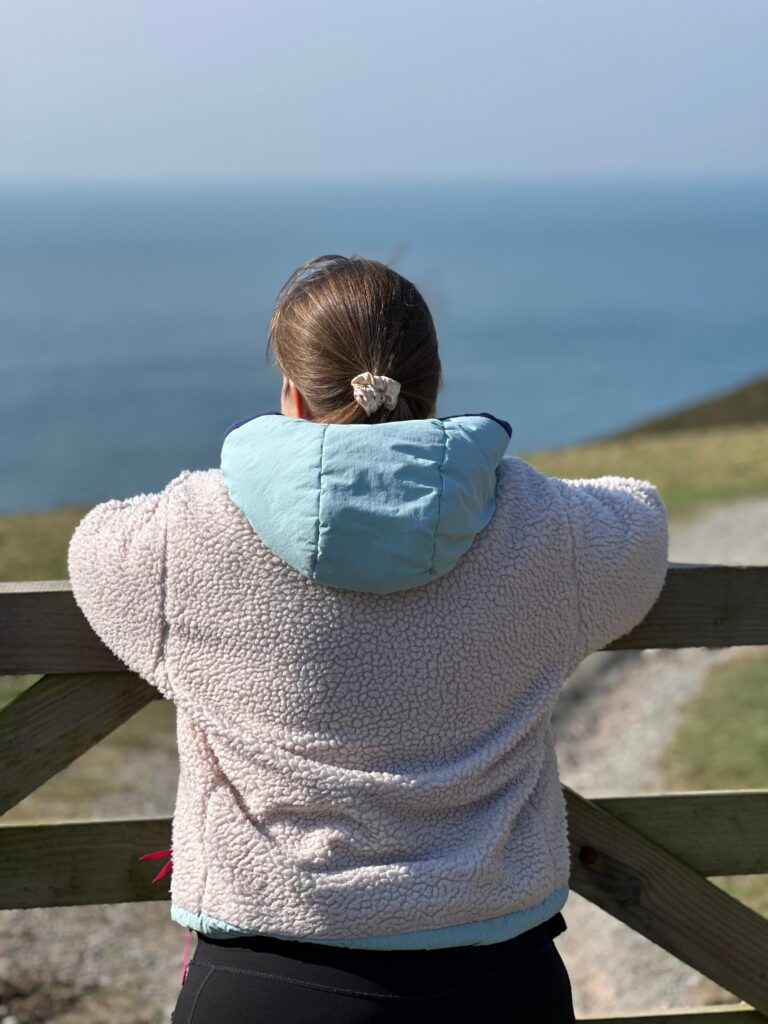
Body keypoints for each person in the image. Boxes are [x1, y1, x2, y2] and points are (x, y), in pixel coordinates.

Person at [67, 254, 669, 1023]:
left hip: (266, 972)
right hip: (497, 980)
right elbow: (640, 518)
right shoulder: (544, 525)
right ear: (433, 382)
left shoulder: (187, 533)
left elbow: (94, 545)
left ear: (290, 388)